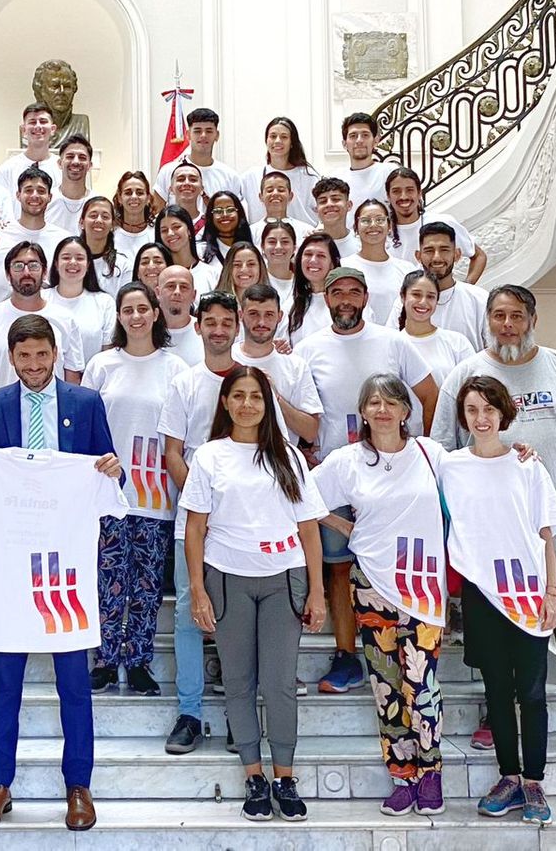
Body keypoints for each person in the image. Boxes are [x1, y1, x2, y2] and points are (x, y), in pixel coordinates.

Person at [433, 284, 556, 751]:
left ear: (532, 319)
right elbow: (442, 451)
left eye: (516, 315)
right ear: (487, 321)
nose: (507, 324)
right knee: (496, 626)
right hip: (496, 539)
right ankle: (494, 708)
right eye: (498, 315)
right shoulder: (466, 373)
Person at [0, 314, 122, 833]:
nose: (33, 366)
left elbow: (106, 472)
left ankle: (79, 785)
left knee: (74, 681)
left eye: (41, 355)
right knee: (3, 681)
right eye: (24, 357)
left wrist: (109, 470)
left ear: (56, 353)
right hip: (11, 559)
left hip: (64, 561)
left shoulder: (86, 403)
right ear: (11, 358)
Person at [183, 366, 326, 823]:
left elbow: (309, 530)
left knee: (280, 683)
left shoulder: (288, 456)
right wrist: (198, 592)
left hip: (284, 579)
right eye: (238, 396)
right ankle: (254, 776)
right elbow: (195, 530)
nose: (247, 404)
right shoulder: (209, 456)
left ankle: (285, 777)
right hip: (227, 579)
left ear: (268, 405)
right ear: (225, 402)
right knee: (239, 683)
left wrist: (318, 592)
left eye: (256, 397)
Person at [295, 268, 437, 696]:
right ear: (326, 297)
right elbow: (303, 407)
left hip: (393, 474)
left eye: (354, 292)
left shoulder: (394, 342)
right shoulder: (310, 348)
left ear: (365, 298)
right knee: (339, 568)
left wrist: (419, 450)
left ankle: (402, 648)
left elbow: (429, 395)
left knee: (390, 564)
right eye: (337, 291)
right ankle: (347, 657)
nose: (345, 299)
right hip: (339, 475)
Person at [312, 373, 449, 816]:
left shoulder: (432, 454)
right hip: (372, 585)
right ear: (363, 412)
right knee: (386, 686)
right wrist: (345, 528)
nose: (383, 409)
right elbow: (303, 497)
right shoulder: (347, 460)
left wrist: (521, 454)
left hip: (424, 587)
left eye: (392, 402)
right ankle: (402, 776)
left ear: (406, 411)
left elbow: (484, 474)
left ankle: (431, 774)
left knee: (422, 685)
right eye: (373, 402)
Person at [443, 375, 556, 825]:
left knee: (532, 692)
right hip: (482, 594)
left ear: (503, 414)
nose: (481, 418)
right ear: (464, 416)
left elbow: (546, 531)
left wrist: (552, 591)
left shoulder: (528, 466)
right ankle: (509, 777)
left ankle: (534, 781)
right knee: (496, 690)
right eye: (472, 409)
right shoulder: (450, 466)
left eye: (489, 409)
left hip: (527, 592)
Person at [81, 284, 190, 697]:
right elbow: (88, 425)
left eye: (143, 308)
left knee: (145, 583)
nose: (136, 316)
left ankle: (139, 660)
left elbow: (180, 430)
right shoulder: (103, 364)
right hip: (109, 491)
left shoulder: (174, 367)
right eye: (128, 309)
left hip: (156, 493)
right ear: (119, 316)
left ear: (156, 313)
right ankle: (107, 659)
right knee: (109, 578)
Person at [156, 290, 240, 755]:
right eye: (211, 321)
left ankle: (237, 715)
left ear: (237, 326)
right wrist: (204, 500)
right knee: (191, 614)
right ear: (199, 325)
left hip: (243, 524)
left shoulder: (252, 382)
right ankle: (189, 713)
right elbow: (172, 452)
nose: (219, 329)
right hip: (192, 518)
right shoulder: (184, 383)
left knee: (234, 619)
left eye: (227, 321)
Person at [0, 241, 86, 396]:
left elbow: (72, 380)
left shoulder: (66, 320)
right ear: (8, 274)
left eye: (34, 265)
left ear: (44, 272)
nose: (26, 272)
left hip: (51, 414)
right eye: (18, 266)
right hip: (0, 415)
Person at [231, 283, 321, 444]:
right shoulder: (227, 359)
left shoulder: (295, 366)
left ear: (279, 316)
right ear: (241, 315)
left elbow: (310, 432)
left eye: (269, 315)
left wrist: (274, 396)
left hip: (280, 462)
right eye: (253, 314)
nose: (261, 322)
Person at [385, 222, 488, 350]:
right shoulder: (406, 303)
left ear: (457, 255)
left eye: (444, 250)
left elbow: (495, 351)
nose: (437, 258)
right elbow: (390, 346)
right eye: (429, 251)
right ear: (418, 256)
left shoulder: (480, 299)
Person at [385, 166, 487, 281]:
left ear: (419, 194)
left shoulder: (442, 222)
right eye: (396, 191)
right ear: (388, 196)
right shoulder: (381, 231)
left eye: (410, 190)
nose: (403, 196)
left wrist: (465, 288)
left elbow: (479, 256)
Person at [398, 270, 475, 422]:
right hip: (402, 438)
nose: (423, 302)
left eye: (431, 297)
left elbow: (475, 391)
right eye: (416, 294)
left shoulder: (457, 342)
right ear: (402, 296)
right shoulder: (392, 344)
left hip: (449, 433)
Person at [153, 107, 242, 203]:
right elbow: (157, 213)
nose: (203, 135)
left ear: (217, 135)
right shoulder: (168, 172)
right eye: (197, 131)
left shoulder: (230, 176)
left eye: (209, 131)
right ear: (188, 135)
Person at [244, 117, 321, 224]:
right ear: (266, 140)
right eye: (273, 136)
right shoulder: (251, 177)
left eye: (284, 137)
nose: (278, 141)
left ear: (292, 143)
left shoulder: (309, 177)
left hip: (303, 238)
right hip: (262, 238)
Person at [45, 236, 115, 353]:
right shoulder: (41, 298)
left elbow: (107, 352)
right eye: (66, 257)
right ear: (56, 264)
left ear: (88, 265)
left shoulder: (105, 302)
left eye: (80, 258)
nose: (73, 262)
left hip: (91, 371)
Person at [346, 199, 409, 325]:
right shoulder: (344, 267)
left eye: (380, 220)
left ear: (390, 226)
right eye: (365, 221)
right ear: (356, 227)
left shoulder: (406, 269)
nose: (373, 225)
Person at [0, 102, 61, 215]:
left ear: (53, 129)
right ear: (23, 130)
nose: (38, 126)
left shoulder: (62, 168)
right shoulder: (7, 169)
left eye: (43, 121)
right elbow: (0, 209)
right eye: (32, 122)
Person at [0, 166, 71, 261]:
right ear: (18, 195)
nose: (35, 195)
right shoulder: (2, 234)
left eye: (41, 191)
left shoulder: (62, 240)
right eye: (28, 190)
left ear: (49, 197)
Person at [286, 232, 341, 347]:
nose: (313, 260)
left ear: (333, 263)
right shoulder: (290, 303)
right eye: (308, 254)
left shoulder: (346, 301)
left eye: (321, 256)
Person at [337, 112, 391, 211]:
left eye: (365, 135)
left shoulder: (389, 172)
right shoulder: (336, 177)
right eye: (353, 136)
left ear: (375, 141)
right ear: (344, 144)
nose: (359, 140)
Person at [80, 194, 130, 295]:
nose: (99, 220)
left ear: (112, 225)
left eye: (105, 217)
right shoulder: (71, 262)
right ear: (82, 222)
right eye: (93, 216)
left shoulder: (123, 265)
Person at [155, 265, 203, 367]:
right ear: (158, 292)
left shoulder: (205, 331)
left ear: (194, 295)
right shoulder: (145, 332)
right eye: (171, 286)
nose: (177, 292)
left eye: (184, 287)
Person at [253, 171, 315, 246]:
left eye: (281, 190)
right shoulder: (251, 232)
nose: (275, 193)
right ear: (261, 197)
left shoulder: (306, 231)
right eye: (269, 190)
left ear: (290, 196)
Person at [47, 134, 94, 231]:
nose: (76, 162)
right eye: (70, 156)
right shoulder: (46, 200)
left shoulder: (96, 203)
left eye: (82, 157)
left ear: (89, 165)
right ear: (60, 163)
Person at [260, 220, 300, 327]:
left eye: (285, 242)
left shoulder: (303, 283)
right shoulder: (255, 280)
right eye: (272, 242)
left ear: (294, 248)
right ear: (262, 247)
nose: (278, 247)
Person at [200, 190, 255, 268]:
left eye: (230, 210)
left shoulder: (255, 245)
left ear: (239, 214)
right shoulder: (200, 251)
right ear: (210, 216)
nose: (225, 215)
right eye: (218, 211)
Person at [112, 170, 158, 258]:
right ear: (119, 198)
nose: (134, 197)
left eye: (139, 193)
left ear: (148, 198)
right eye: (128, 193)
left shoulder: (157, 232)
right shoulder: (110, 234)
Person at [312, 177, 360, 260]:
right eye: (323, 201)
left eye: (336, 199)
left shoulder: (361, 244)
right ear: (316, 209)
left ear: (349, 205)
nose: (329, 204)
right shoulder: (309, 245)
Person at [165, 160, 208, 227]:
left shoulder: (210, 224)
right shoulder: (160, 224)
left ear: (202, 188)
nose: (187, 183)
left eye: (193, 179)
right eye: (181, 179)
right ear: (171, 189)